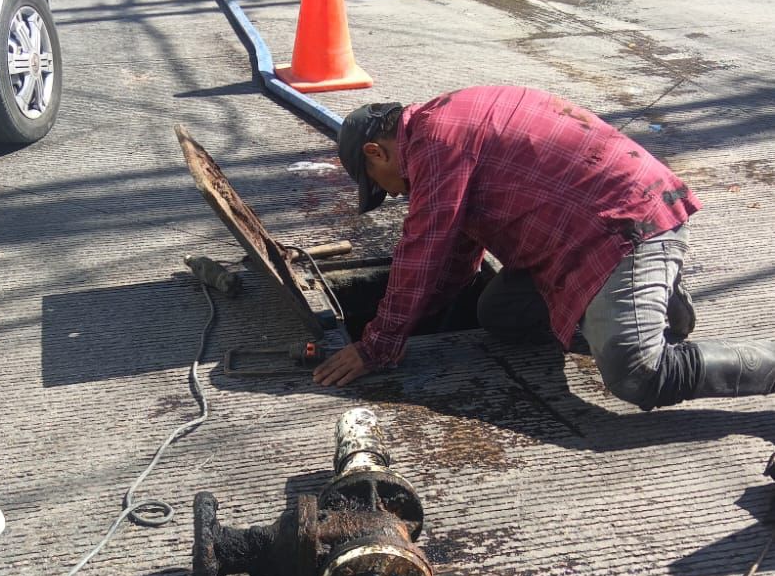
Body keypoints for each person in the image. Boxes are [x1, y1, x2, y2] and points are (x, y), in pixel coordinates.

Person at [313, 86, 775, 409]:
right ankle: (643, 303)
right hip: (571, 240)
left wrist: (377, 346)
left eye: (382, 187)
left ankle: (753, 360)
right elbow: (453, 258)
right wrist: (416, 321)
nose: (395, 195)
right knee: (501, 313)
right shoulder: (445, 123)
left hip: (625, 228)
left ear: (376, 152)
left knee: (637, 374)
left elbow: (424, 248)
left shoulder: (435, 143)